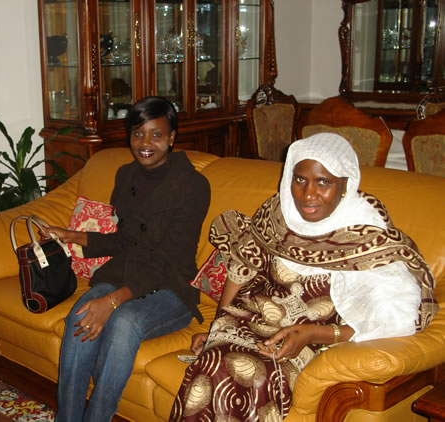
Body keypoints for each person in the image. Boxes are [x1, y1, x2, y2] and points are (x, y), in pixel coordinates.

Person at [170, 132, 437, 421]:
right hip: (252, 320)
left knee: (246, 374)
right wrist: (216, 327)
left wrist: (315, 333)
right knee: (213, 363)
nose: (308, 195)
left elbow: (395, 317)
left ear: (345, 184)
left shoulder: (366, 234)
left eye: (323, 182)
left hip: (314, 339)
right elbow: (242, 267)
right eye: (300, 179)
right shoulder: (277, 212)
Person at [43, 96, 211, 422]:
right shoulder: (125, 175)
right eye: (138, 134)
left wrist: (113, 301)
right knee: (80, 316)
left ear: (172, 137)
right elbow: (126, 240)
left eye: (156, 135)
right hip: (125, 272)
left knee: (124, 322)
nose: (145, 143)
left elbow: (167, 259)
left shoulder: (192, 185)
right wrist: (75, 236)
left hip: (172, 285)